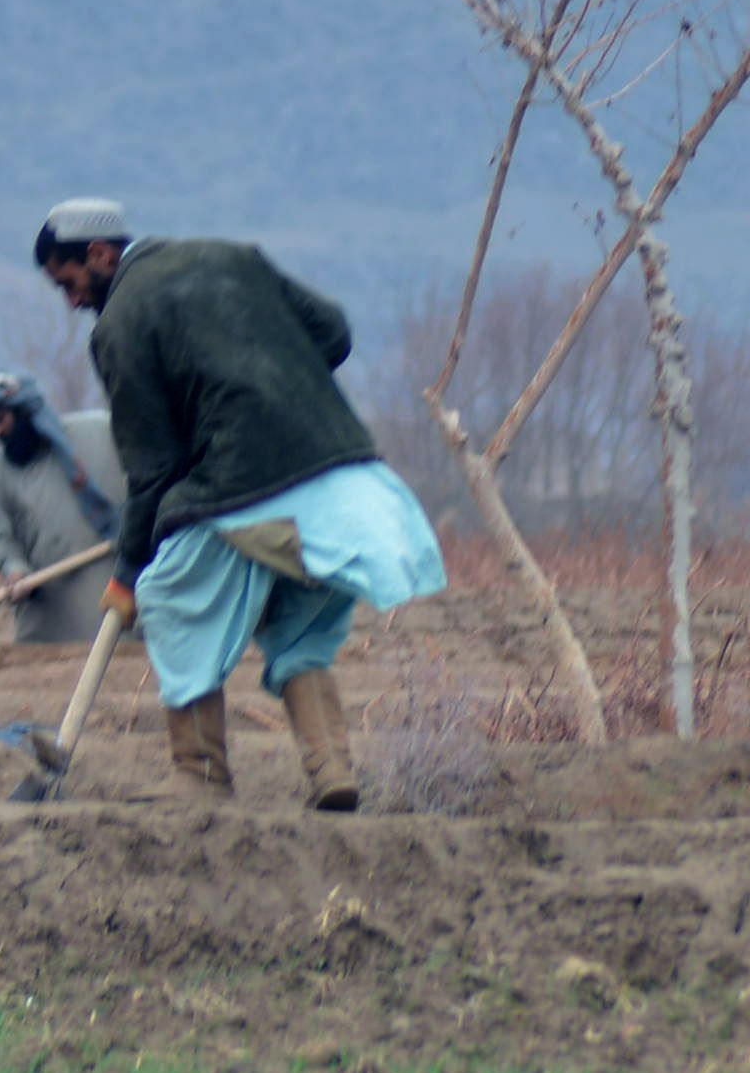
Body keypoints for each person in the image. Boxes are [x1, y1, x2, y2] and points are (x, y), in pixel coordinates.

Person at [37, 199, 446, 809]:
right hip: (343, 474)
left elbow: (152, 466)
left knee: (171, 597)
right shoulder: (234, 258)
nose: (72, 302)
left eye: (68, 284)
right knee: (293, 618)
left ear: (98, 254)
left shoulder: (120, 323)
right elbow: (333, 332)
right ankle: (331, 770)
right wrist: (268, 370)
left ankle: (199, 776)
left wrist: (127, 570)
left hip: (244, 483)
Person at [0, 368, 122, 644]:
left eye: (0, 419)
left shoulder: (100, 433)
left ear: (25, 412)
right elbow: (3, 540)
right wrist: (15, 571)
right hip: (49, 622)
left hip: (114, 596)